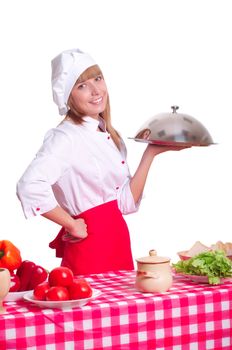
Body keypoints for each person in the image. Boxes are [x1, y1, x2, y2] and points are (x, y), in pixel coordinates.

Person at [17, 48, 189, 275]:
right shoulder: (65, 137)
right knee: (90, 309)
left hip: (116, 239)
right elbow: (29, 186)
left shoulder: (107, 135)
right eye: (82, 86)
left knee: (122, 309)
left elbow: (125, 204)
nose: (96, 90)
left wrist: (150, 153)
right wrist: (70, 223)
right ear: (68, 97)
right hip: (90, 247)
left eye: (98, 78)